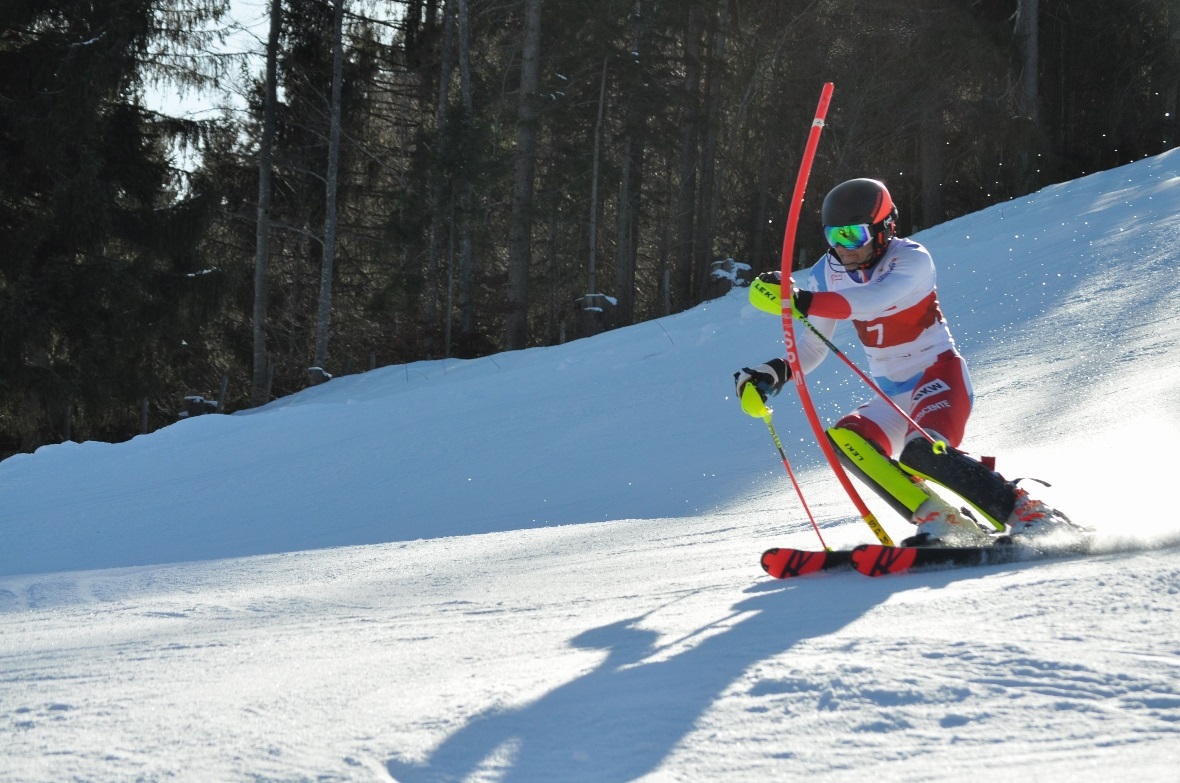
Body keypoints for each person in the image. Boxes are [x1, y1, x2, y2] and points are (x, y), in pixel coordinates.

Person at [735, 178, 1072, 546]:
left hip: (939, 375)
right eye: (835, 237)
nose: (844, 249)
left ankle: (1027, 511)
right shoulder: (826, 273)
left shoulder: (911, 260)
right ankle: (941, 519)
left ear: (884, 229)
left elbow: (871, 301)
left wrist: (798, 300)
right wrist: (772, 373)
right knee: (846, 439)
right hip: (891, 394)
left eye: (854, 236)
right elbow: (814, 346)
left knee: (922, 452)